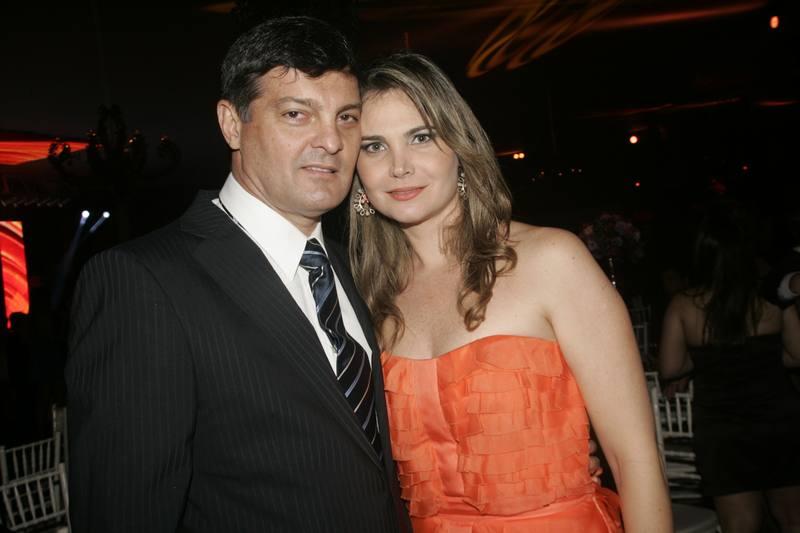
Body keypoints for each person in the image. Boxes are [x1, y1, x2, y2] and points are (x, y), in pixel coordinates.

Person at [65, 16, 410, 532]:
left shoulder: (354, 266)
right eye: (296, 114)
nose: (331, 140)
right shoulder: (143, 281)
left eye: (346, 117)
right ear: (231, 124)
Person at [348, 52, 671, 532]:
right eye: (374, 146)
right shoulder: (362, 296)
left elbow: (636, 461)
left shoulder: (551, 260)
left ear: (459, 147)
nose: (399, 166)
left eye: (421, 137)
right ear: (355, 170)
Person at [659, 205, 800, 533]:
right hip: (779, 421)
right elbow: (796, 355)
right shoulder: (769, 299)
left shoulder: (685, 304)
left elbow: (669, 366)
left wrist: (704, 360)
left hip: (724, 428)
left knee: (740, 525)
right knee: (794, 519)